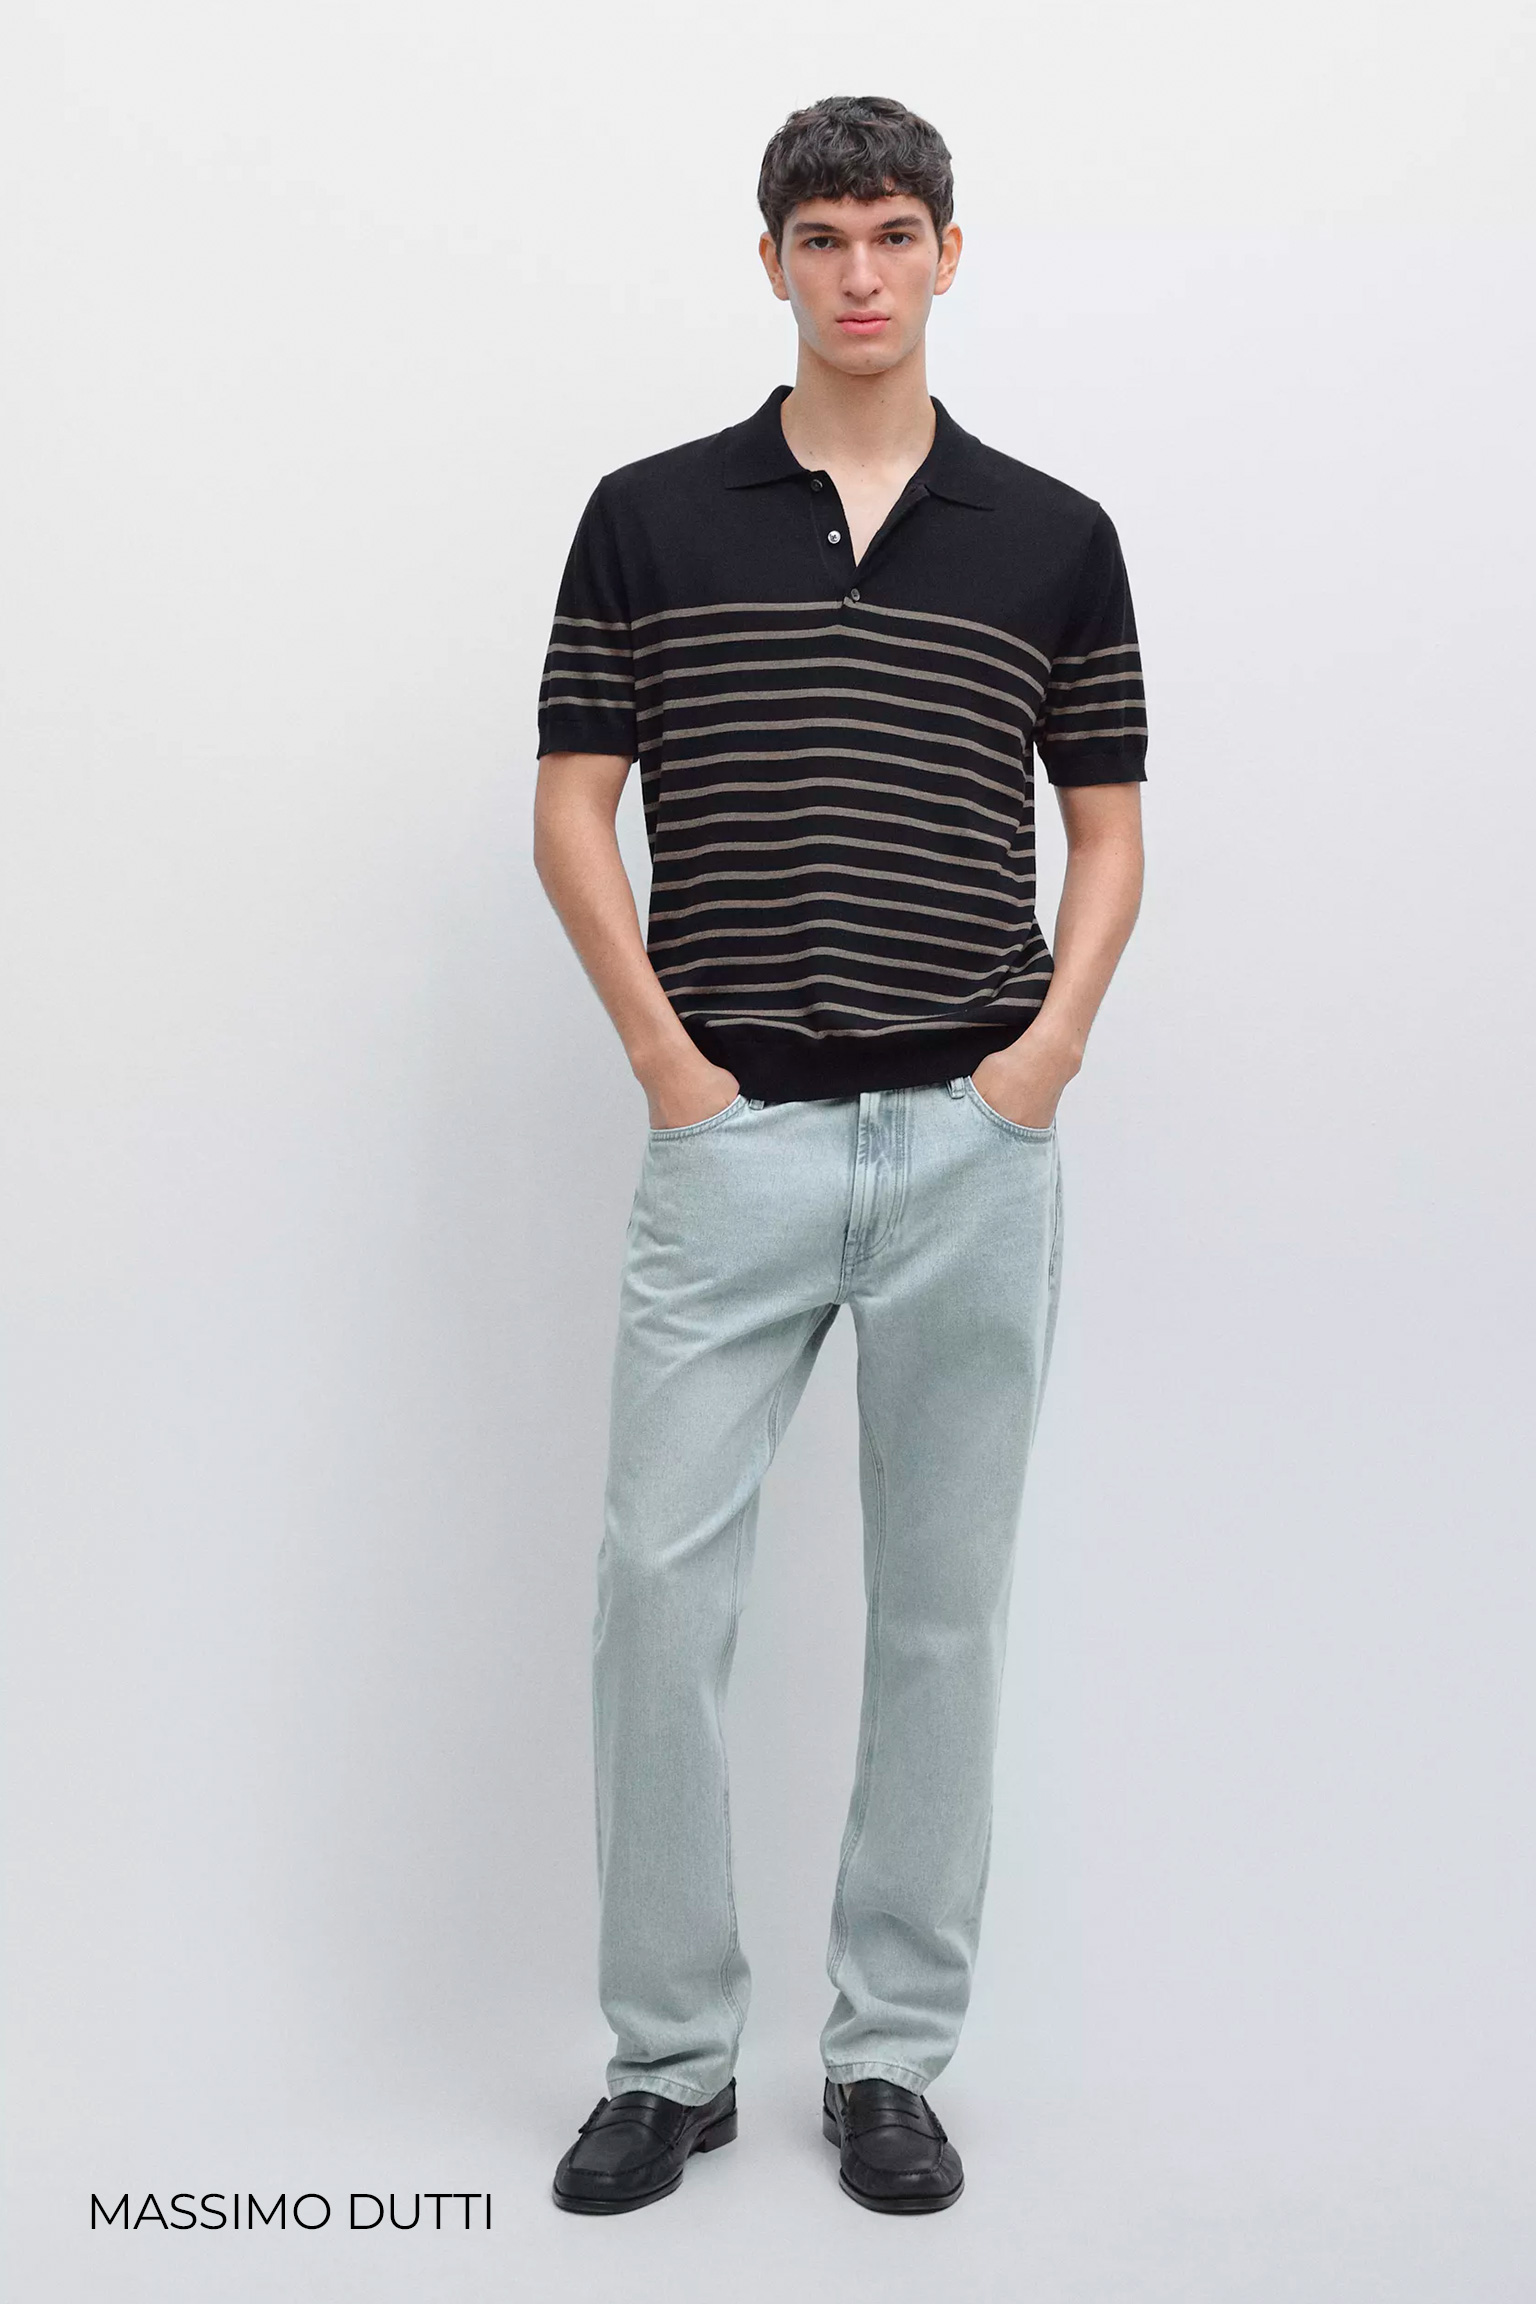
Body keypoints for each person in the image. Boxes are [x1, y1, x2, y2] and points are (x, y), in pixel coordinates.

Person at [533, 93, 1147, 2216]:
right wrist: (667, 1063)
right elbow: (571, 809)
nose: (860, 271)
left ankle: (888, 2059)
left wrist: (1044, 1062)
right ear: (773, 260)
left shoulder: (1053, 533)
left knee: (942, 1616)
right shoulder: (650, 516)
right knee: (654, 1591)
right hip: (735, 1141)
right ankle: (669, 2061)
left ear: (949, 252)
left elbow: (1108, 832)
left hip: (977, 1138)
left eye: (895, 232)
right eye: (823, 236)